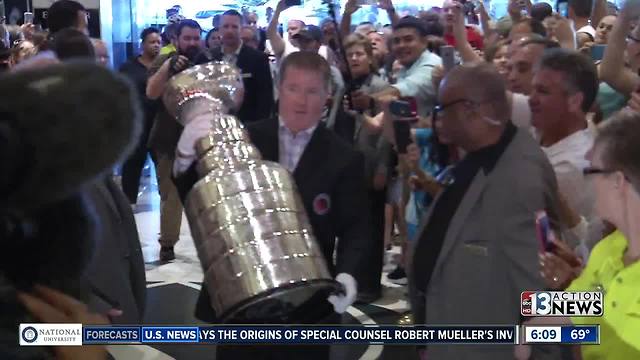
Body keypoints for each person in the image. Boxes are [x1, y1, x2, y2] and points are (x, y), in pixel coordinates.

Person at [174, 51, 370, 359]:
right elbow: (197, 198)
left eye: (312, 91)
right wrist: (184, 159)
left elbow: (357, 228)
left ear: (328, 95)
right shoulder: (244, 136)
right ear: (280, 88)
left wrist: (347, 275)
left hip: (309, 304)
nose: (301, 101)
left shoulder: (345, 157)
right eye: (293, 88)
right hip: (241, 301)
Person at [409, 62, 560, 360]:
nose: (436, 118)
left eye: (442, 108)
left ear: (469, 109)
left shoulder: (519, 180)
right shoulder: (484, 157)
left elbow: (539, 288)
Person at [534, 109, 640, 359]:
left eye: (590, 172)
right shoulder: (610, 249)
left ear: (618, 182)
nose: (587, 183)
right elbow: (577, 318)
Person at [529, 48, 602, 252]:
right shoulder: (547, 127)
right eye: (532, 89)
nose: (531, 98)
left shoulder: (572, 165)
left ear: (575, 101)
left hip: (569, 278)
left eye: (542, 91)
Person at [146, 19, 203, 261]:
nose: (191, 43)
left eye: (195, 38)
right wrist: (170, 67)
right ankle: (167, 244)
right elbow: (151, 92)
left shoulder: (206, 59)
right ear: (176, 39)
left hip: (199, 138)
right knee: (171, 196)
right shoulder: (164, 60)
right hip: (168, 140)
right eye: (187, 38)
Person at [195, 10, 274, 124]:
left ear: (241, 29)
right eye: (226, 26)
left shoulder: (258, 59)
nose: (229, 31)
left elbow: (265, 98)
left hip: (246, 125)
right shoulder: (206, 57)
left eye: (234, 26)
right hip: (211, 124)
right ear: (220, 29)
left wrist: (258, 130)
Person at [119, 27, 162, 206]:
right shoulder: (129, 67)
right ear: (142, 44)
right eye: (152, 42)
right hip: (137, 125)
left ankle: (166, 205)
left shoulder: (164, 67)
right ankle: (128, 204)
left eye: (159, 42)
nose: (156, 46)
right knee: (132, 165)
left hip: (158, 124)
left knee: (162, 166)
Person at [372, 16, 442, 118]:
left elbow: (408, 88)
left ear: (424, 42)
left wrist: (369, 100)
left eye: (408, 40)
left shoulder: (433, 63)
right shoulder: (405, 66)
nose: (401, 45)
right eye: (396, 41)